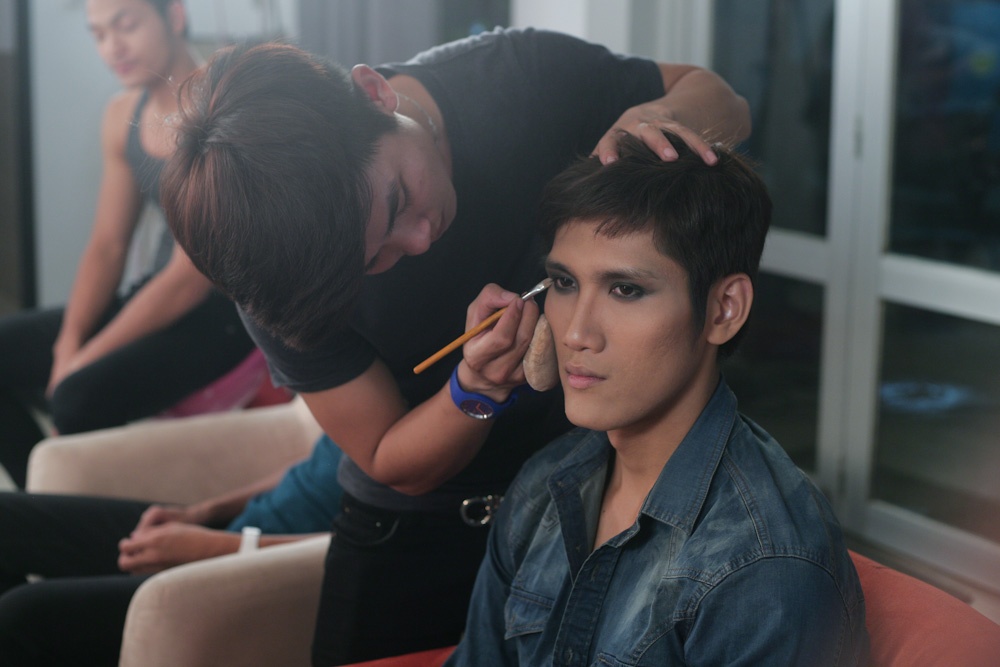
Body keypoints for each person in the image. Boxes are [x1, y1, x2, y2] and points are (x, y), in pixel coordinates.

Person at [160, 30, 751, 664]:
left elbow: (722, 98)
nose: (418, 240)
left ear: (373, 93)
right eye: (374, 260)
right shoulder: (284, 281)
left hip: (592, 492)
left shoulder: (513, 80)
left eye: (398, 199)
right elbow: (388, 455)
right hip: (417, 534)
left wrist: (661, 118)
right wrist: (477, 389)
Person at [446, 133, 869, 666]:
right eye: (564, 283)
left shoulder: (764, 567)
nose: (576, 333)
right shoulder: (545, 485)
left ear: (724, 309)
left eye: (625, 290)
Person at [0, 0, 256, 488]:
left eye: (127, 25)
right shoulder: (123, 114)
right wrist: (68, 344)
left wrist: (85, 359)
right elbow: (108, 245)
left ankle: (76, 517)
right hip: (155, 294)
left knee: (76, 398)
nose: (112, 47)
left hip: (222, 319)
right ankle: (43, 501)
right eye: (98, 34)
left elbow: (188, 279)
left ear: (173, 16)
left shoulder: (220, 109)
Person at [0, 432, 342, 666]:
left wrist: (222, 548)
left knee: (21, 616)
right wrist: (202, 512)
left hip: (272, 571)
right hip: (235, 530)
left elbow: (364, 547)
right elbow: (316, 464)